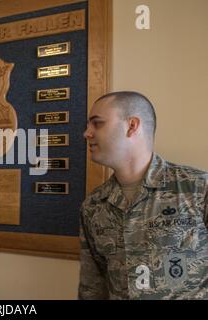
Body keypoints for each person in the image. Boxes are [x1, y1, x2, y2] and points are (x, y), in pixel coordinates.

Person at [79, 91, 208, 300]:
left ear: (132, 126)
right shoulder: (93, 205)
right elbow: (93, 286)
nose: (87, 133)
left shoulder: (198, 189)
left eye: (97, 124)